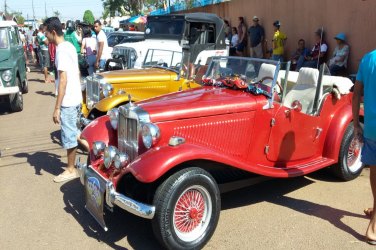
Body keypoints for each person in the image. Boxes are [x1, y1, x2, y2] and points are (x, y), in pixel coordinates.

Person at [43, 16, 88, 183]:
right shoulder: (69, 46)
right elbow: (76, 72)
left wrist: (56, 108)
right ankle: (96, 155)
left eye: (46, 33)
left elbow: (63, 80)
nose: (45, 37)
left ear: (53, 32)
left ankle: (71, 169)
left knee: (69, 136)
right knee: (76, 133)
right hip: (75, 98)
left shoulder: (61, 50)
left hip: (68, 101)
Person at [352, 49, 376, 245]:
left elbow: (356, 95)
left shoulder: (367, 58)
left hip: (371, 127)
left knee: (374, 170)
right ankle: (375, 225)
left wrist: (354, 124)